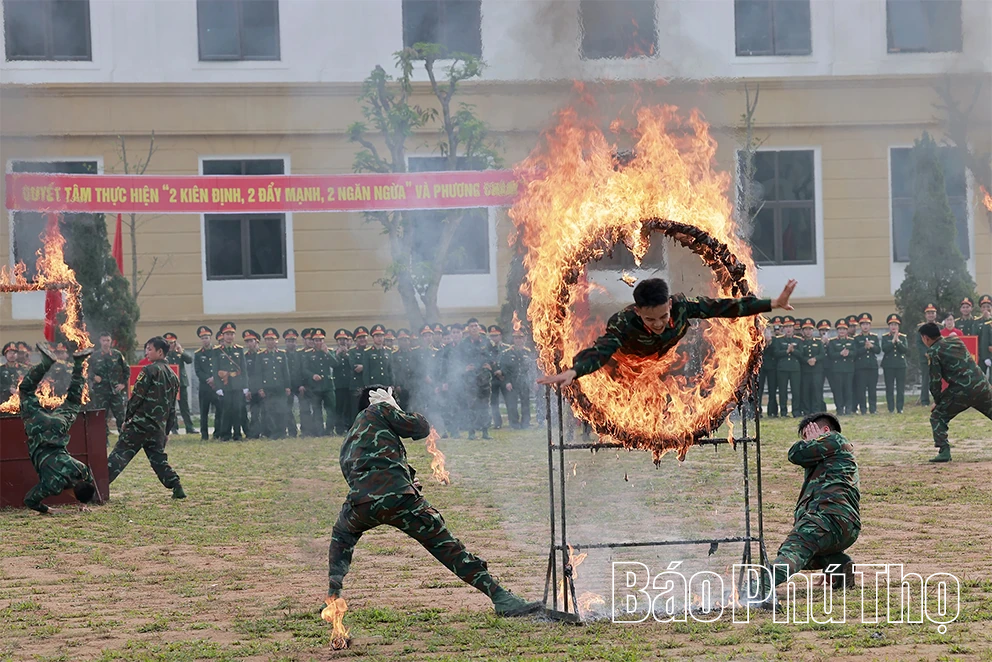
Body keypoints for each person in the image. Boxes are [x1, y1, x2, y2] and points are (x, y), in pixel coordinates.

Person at [327, 384, 544, 617]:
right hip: (401, 500)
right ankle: (500, 597)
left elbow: (359, 472)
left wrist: (406, 478)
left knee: (341, 539)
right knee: (447, 546)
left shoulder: (349, 437)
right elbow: (420, 427)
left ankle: (333, 598)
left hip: (360, 504)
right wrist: (390, 407)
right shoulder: (378, 411)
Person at [537, 278, 797, 387]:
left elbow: (723, 306)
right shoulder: (624, 322)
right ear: (638, 312)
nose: (659, 323)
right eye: (651, 319)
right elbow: (602, 350)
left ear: (670, 305)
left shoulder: (682, 306)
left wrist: (771, 303)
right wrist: (574, 371)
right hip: (627, 367)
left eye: (663, 316)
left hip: (665, 361)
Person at [771, 412, 860, 588]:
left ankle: (759, 587)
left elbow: (795, 454)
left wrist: (809, 443)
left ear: (825, 430)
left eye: (808, 436)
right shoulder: (832, 456)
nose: (806, 441)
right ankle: (838, 564)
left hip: (825, 520)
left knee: (793, 549)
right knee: (808, 554)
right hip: (844, 528)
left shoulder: (834, 439)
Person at [20, 342, 98, 514]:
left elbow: (89, 479)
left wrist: (84, 500)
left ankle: (78, 364)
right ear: (73, 495)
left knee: (73, 400)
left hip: (58, 428)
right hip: (38, 428)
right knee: (25, 390)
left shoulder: (80, 469)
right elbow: (30, 500)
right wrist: (50, 510)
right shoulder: (52, 485)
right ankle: (47, 363)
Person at [107, 336, 185, 499]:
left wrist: (126, 420)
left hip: (140, 425)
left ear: (160, 352)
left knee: (118, 456)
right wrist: (166, 431)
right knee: (158, 460)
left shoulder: (149, 371)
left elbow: (136, 397)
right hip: (157, 427)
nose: (146, 353)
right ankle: (176, 485)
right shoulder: (173, 376)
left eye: (150, 349)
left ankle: (96, 488)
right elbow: (172, 408)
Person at [918, 323, 992, 463]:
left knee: (937, 416)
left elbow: (935, 382)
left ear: (926, 338)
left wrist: (938, 402)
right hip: (982, 386)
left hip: (961, 391)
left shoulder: (933, 351)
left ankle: (944, 451)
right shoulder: (956, 340)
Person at [87, 332, 129, 436]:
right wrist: (93, 377)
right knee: (101, 417)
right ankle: (103, 441)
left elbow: (126, 370)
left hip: (115, 391)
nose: (106, 343)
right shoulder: (94, 356)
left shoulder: (117, 355)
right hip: (100, 392)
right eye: (103, 340)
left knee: (121, 416)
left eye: (108, 340)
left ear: (111, 342)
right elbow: (86, 370)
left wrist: (123, 384)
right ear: (100, 341)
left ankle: (124, 439)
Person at [213, 322, 248, 441]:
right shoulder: (217, 351)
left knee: (237, 410)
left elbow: (244, 369)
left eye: (232, 334)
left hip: (237, 384)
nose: (229, 336)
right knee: (226, 410)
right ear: (223, 335)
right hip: (225, 385)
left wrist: (245, 385)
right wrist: (218, 387)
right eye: (227, 334)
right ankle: (225, 434)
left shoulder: (239, 349)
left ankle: (237, 434)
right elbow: (215, 370)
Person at [304, 328, 338, 436]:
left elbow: (335, 364)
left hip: (328, 385)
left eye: (320, 340)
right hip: (315, 387)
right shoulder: (308, 354)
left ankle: (329, 430)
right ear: (313, 342)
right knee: (317, 410)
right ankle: (319, 431)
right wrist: (312, 375)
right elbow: (304, 369)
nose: (318, 342)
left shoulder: (329, 351)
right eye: (316, 340)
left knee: (331, 409)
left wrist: (327, 353)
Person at [500, 327, 533, 428]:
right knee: (512, 404)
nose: (518, 340)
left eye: (520, 338)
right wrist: (507, 382)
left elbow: (532, 368)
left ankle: (525, 423)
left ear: (524, 339)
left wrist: (533, 381)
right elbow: (504, 369)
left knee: (526, 403)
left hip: (524, 381)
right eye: (516, 338)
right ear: (513, 340)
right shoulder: (507, 353)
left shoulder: (527, 352)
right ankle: (514, 423)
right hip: (512, 381)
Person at [164, 332, 195, 435]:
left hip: (181, 383)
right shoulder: (164, 354)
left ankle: (189, 427)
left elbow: (190, 360)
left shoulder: (180, 353)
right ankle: (173, 428)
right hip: (169, 384)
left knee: (184, 407)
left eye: (172, 343)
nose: (170, 345)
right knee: (171, 407)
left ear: (175, 343)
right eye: (168, 343)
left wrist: (181, 351)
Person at [773, 316, 802, 418]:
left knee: (796, 391)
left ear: (793, 328)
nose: (788, 329)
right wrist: (786, 351)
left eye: (790, 326)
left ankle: (796, 411)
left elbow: (801, 354)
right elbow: (775, 353)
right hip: (782, 368)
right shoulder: (778, 340)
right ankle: (784, 412)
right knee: (782, 391)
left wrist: (793, 351)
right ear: (783, 329)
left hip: (795, 368)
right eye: (786, 327)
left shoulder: (798, 340)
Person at [193, 326, 219, 440]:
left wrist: (215, 378)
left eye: (207, 337)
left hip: (217, 386)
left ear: (210, 338)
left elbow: (220, 367)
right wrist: (208, 379)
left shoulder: (217, 351)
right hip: (204, 387)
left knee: (219, 411)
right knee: (204, 412)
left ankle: (217, 432)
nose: (205, 340)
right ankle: (204, 435)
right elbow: (198, 371)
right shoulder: (198, 354)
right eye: (203, 338)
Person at [852, 313, 880, 415]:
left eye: (867, 324)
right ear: (860, 326)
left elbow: (878, 350)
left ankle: (873, 409)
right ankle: (863, 409)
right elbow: (855, 353)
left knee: (872, 389)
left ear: (870, 325)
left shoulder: (874, 337)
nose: (865, 326)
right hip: (861, 367)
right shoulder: (856, 338)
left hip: (872, 367)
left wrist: (872, 346)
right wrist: (864, 348)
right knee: (861, 390)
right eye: (863, 324)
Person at [880, 314, 908, 414]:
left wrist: (898, 342)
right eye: (891, 325)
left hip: (900, 365)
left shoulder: (903, 337)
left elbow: (905, 350)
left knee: (900, 388)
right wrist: (892, 341)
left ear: (898, 326)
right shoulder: (885, 337)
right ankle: (891, 408)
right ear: (889, 326)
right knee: (889, 388)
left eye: (895, 325)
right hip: (889, 365)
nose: (893, 327)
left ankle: (900, 408)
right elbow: (884, 349)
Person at [798, 318, 826, 417]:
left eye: (810, 329)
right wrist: (807, 360)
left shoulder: (818, 342)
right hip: (805, 371)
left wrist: (815, 359)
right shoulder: (801, 342)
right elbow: (800, 355)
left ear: (813, 330)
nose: (808, 331)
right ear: (802, 331)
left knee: (816, 391)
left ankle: (816, 411)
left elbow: (822, 354)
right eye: (806, 329)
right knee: (805, 391)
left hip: (817, 371)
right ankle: (807, 411)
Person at [827, 319, 856, 416]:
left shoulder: (852, 341)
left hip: (849, 369)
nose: (842, 331)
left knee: (848, 389)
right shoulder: (833, 341)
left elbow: (855, 352)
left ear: (847, 330)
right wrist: (840, 353)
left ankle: (848, 408)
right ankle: (839, 408)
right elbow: (830, 354)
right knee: (838, 390)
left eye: (844, 329)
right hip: (837, 369)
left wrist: (849, 353)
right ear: (837, 330)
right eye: (840, 329)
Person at [916, 303, 938, 406]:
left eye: (932, 313)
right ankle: (924, 400)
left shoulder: (939, 327)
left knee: (938, 379)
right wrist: (926, 353)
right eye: (928, 313)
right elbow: (919, 343)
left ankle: (938, 399)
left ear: (935, 314)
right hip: (926, 358)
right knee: (925, 380)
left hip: (938, 357)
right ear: (925, 315)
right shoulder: (921, 328)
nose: (931, 315)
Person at [756, 325, 779, 418]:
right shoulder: (758, 339)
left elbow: (776, 353)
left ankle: (772, 411)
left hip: (772, 367)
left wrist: (769, 343)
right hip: (760, 367)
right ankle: (758, 411)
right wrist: (764, 343)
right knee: (759, 390)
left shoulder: (775, 340)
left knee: (772, 389)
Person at [979, 295, 992, 380]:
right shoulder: (976, 321)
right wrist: (985, 356)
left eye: (988, 306)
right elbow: (983, 340)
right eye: (983, 307)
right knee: (980, 379)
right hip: (981, 355)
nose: (986, 309)